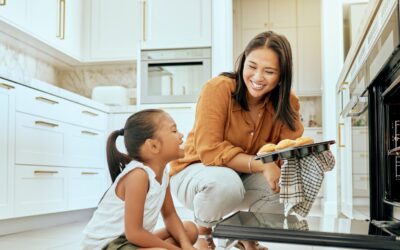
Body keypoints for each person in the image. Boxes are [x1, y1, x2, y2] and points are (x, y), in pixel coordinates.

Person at [169, 31, 304, 250]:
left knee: (286, 185)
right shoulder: (219, 89)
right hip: (196, 173)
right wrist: (262, 164)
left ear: (282, 76)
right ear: (242, 63)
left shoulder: (288, 102)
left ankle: (247, 238)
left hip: (243, 177)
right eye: (251, 66)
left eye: (269, 71)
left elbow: (287, 149)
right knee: (225, 183)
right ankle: (204, 235)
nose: (258, 77)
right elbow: (210, 151)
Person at [81, 109, 198, 250]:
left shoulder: (162, 173)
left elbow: (170, 214)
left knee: (189, 230)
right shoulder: (138, 175)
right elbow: (134, 234)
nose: (181, 135)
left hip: (129, 241)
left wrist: (185, 245)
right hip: (108, 245)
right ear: (153, 146)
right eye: (174, 131)